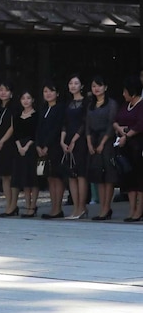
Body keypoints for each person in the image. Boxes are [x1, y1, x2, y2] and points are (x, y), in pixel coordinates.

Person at [86, 76, 118, 221]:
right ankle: (101, 208)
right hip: (93, 140)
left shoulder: (111, 104)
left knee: (108, 175)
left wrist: (102, 143)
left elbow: (111, 124)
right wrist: (89, 143)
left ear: (105, 87)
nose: (96, 89)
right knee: (98, 176)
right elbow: (87, 125)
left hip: (107, 142)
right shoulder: (90, 105)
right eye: (93, 86)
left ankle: (107, 208)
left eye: (99, 86)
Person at [113, 76, 143, 222]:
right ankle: (131, 209)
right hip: (126, 148)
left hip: (138, 147)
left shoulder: (141, 105)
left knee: (139, 180)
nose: (123, 94)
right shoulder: (125, 105)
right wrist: (119, 128)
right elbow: (116, 120)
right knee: (129, 180)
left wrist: (127, 135)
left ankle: (139, 210)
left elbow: (140, 125)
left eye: (125, 91)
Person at [36, 82, 66, 219]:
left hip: (55, 147)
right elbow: (39, 129)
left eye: (51, 91)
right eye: (45, 91)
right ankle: (53, 207)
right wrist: (38, 145)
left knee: (57, 177)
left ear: (57, 93)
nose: (48, 94)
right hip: (43, 147)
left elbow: (57, 129)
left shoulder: (59, 109)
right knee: (49, 178)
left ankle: (58, 208)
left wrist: (47, 145)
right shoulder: (43, 110)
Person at [62, 74, 89, 219]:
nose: (73, 85)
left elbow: (85, 123)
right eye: (71, 83)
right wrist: (62, 140)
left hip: (80, 140)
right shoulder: (68, 103)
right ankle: (75, 208)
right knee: (71, 175)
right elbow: (65, 123)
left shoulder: (86, 102)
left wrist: (74, 140)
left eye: (76, 83)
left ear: (81, 86)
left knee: (81, 175)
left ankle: (82, 207)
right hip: (67, 141)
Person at [11, 90, 39, 217]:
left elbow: (35, 133)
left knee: (33, 178)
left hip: (31, 147)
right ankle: (27, 205)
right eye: (23, 98)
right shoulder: (17, 116)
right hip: (19, 148)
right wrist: (19, 146)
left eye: (28, 98)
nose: (26, 101)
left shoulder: (36, 115)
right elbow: (15, 133)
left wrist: (27, 146)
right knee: (24, 178)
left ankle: (33, 206)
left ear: (33, 100)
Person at [0, 82, 18, 216]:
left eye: (6, 90)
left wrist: (2, 141)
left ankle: (13, 205)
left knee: (11, 175)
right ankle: (8, 204)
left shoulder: (13, 108)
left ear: (11, 93)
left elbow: (12, 127)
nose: (3, 92)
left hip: (9, 144)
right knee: (4, 177)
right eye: (1, 89)